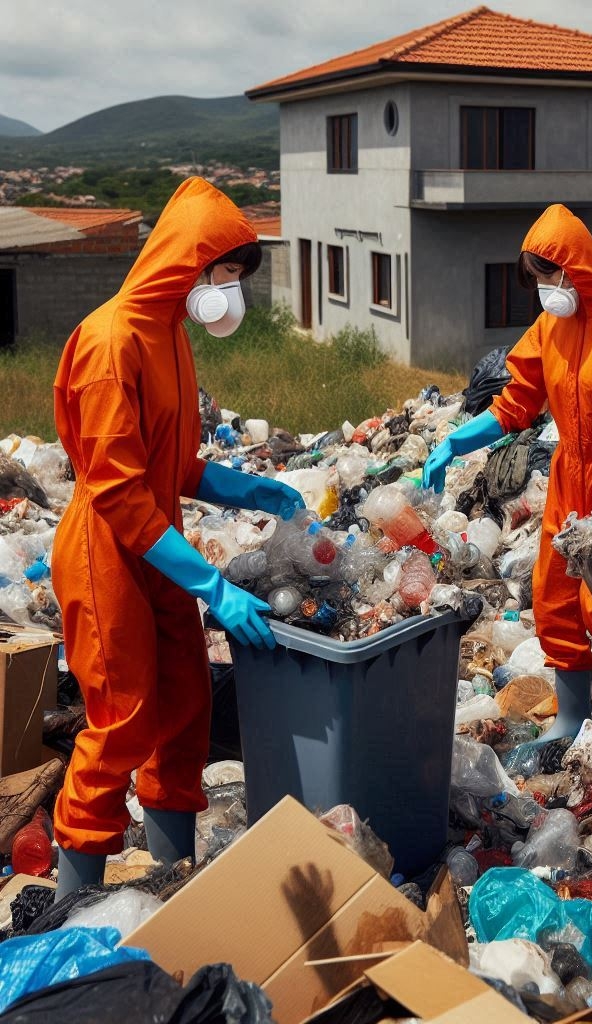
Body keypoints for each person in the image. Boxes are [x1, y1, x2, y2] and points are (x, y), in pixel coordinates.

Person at [51, 177, 305, 899]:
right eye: (223, 272)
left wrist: (245, 487)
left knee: (186, 708)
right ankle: (74, 910)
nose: (229, 289)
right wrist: (214, 586)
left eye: (234, 276)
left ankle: (170, 883)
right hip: (108, 553)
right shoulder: (109, 343)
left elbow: (169, 464)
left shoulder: (168, 333)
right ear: (185, 264)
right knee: (122, 720)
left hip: (160, 544)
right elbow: (120, 493)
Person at [423, 204, 592, 771]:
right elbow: (517, 404)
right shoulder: (551, 326)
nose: (544, 289)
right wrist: (455, 441)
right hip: (569, 476)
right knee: (553, 600)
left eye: (549, 274)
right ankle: (572, 717)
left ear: (576, 267)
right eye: (536, 278)